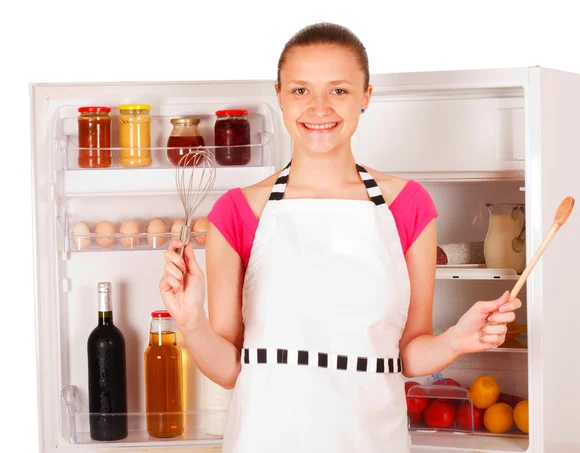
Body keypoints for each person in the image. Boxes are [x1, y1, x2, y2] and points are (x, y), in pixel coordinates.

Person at [159, 22, 522, 453]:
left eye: (338, 90)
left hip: (371, 440)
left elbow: (409, 355)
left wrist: (459, 339)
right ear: (278, 95)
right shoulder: (237, 212)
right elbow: (229, 368)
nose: (318, 107)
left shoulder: (408, 204)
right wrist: (191, 321)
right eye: (300, 90)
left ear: (366, 96)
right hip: (266, 438)